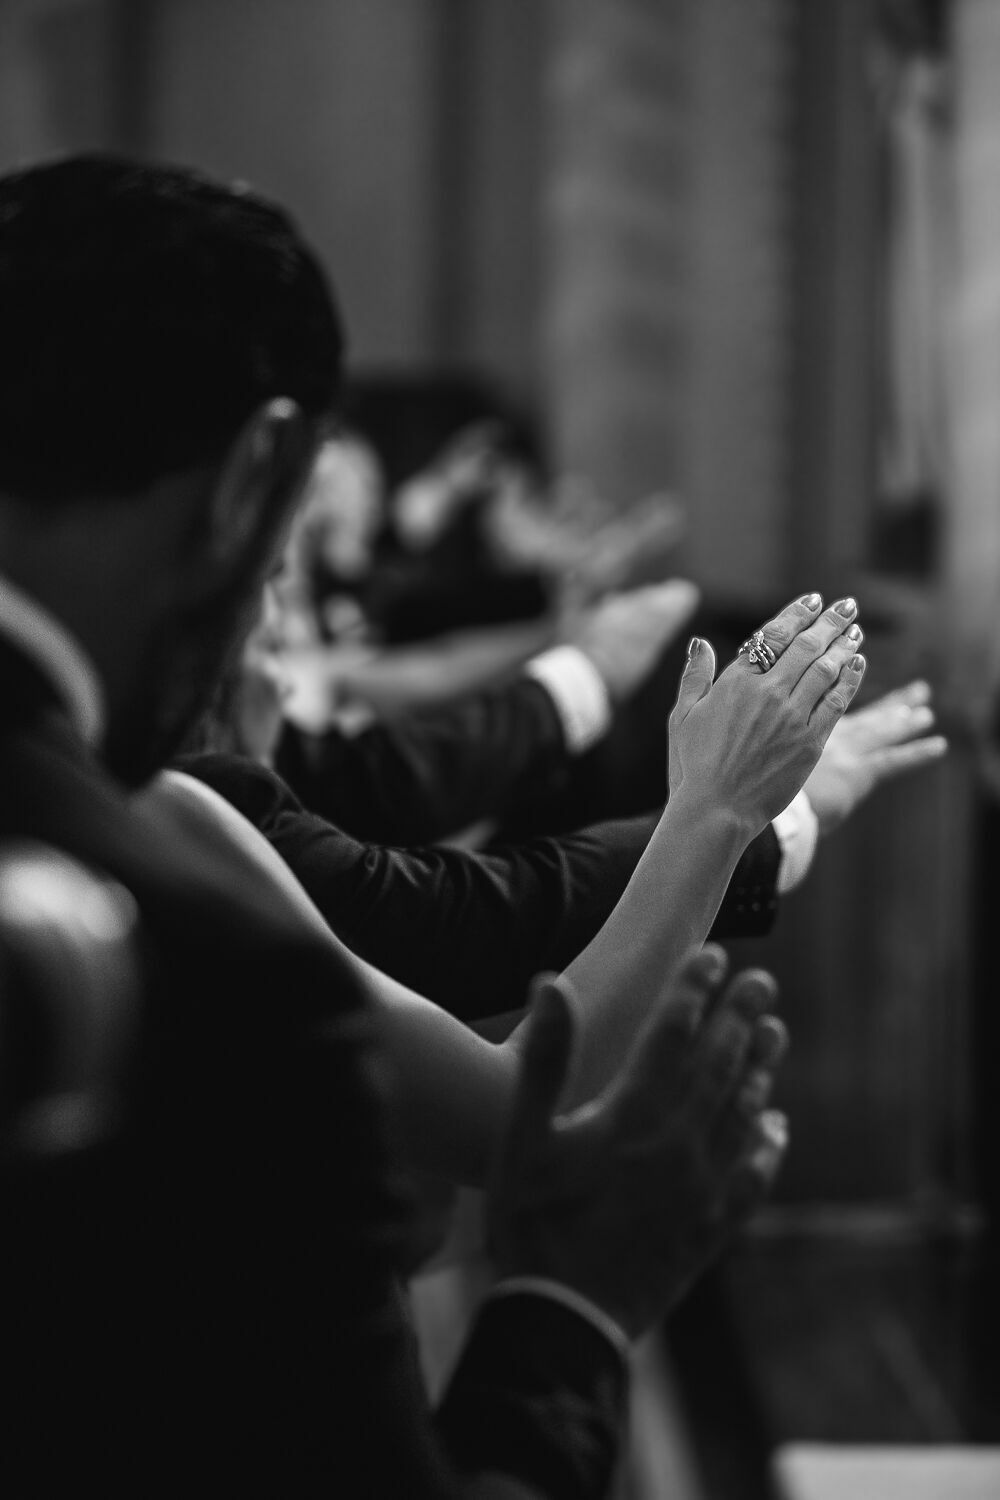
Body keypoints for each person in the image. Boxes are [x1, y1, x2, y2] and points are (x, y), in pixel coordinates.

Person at [0, 154, 854, 1495]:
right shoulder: (213, 949)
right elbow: (473, 955)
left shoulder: (170, 816)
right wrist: (572, 1302)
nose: (277, 621)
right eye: (280, 562)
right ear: (251, 483)